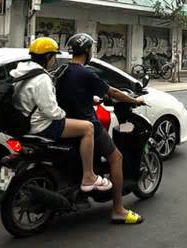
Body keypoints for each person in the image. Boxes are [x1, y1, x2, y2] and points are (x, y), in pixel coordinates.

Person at [56, 33, 147, 225]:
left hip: (66, 122)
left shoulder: (63, 71)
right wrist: (134, 100)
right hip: (86, 122)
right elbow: (112, 92)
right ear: (87, 51)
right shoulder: (86, 73)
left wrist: (91, 98)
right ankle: (119, 210)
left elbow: (71, 95)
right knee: (116, 157)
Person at [11, 38, 112, 193]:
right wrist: (65, 113)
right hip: (42, 126)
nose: (55, 60)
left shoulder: (21, 73)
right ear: (48, 57)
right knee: (88, 128)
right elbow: (51, 111)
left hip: (24, 124)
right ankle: (89, 176)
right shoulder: (42, 78)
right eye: (54, 56)